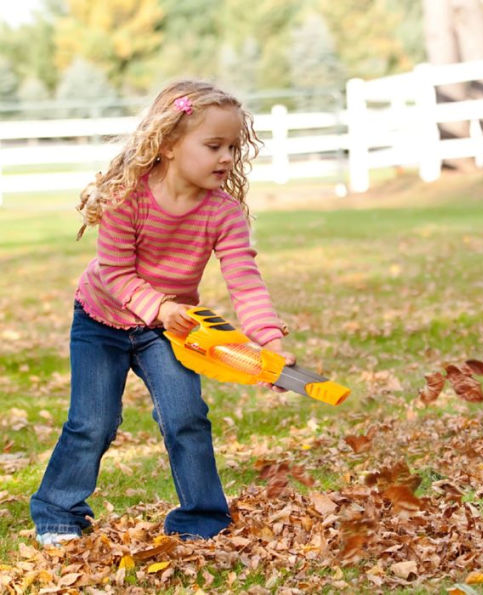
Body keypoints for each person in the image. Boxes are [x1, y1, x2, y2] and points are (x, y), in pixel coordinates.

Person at [30, 80, 293, 546]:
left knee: (186, 416)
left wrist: (268, 341)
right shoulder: (126, 198)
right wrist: (161, 305)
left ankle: (202, 518)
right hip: (100, 320)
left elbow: (244, 278)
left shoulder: (224, 213)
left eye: (233, 146)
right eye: (214, 145)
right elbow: (113, 271)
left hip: (168, 332)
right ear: (169, 144)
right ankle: (58, 513)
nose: (228, 157)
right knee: (93, 422)